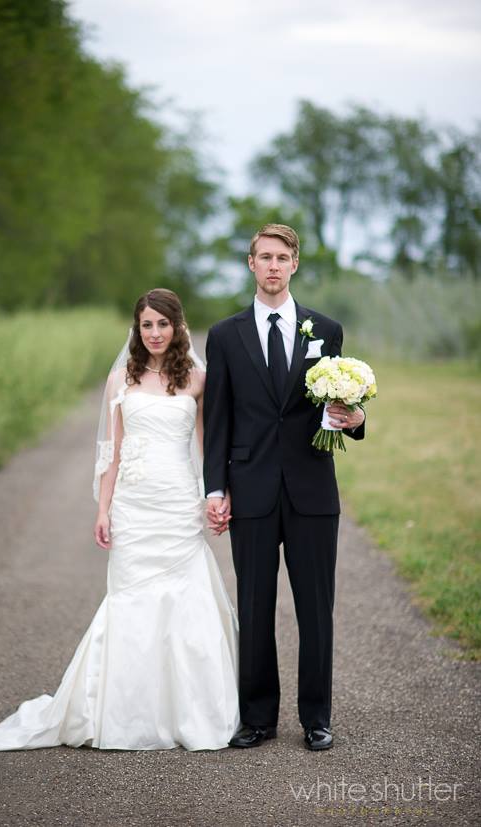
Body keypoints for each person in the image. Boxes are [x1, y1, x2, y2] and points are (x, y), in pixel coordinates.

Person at [0, 288, 239, 752]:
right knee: (131, 600)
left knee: (184, 597)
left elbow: (205, 446)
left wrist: (214, 495)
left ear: (177, 327)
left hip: (177, 503)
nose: (154, 332)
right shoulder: (121, 379)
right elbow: (110, 452)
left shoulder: (197, 379)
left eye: (162, 324)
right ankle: (125, 712)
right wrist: (103, 507)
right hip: (134, 505)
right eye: (146, 324)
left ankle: (193, 712)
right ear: (137, 329)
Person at [203, 224, 365, 751]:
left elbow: (336, 411)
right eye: (264, 257)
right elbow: (218, 419)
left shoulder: (326, 329)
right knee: (254, 604)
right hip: (250, 487)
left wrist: (355, 417)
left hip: (312, 489)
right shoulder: (225, 336)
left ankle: (317, 718)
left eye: (282, 257)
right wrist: (215, 488)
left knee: (317, 608)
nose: (273, 266)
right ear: (251, 264)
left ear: (294, 265)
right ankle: (257, 718)